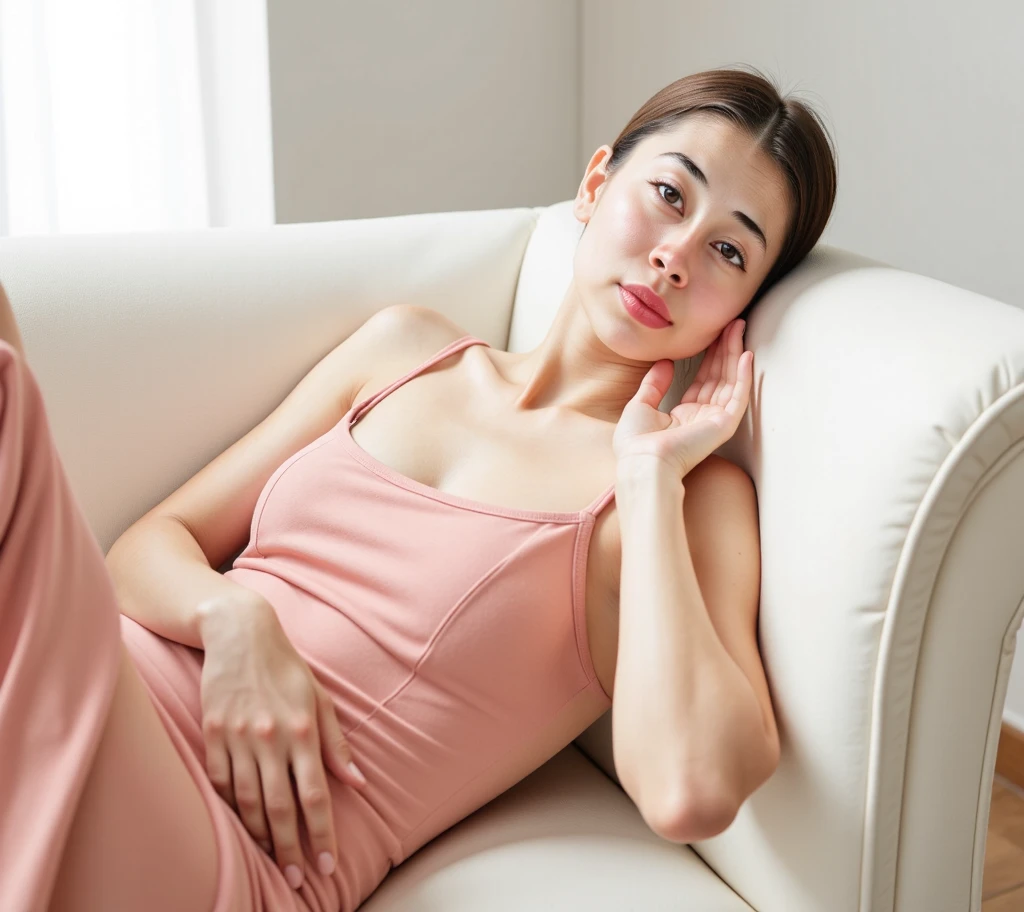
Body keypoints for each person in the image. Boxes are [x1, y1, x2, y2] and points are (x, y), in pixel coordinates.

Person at [0, 65, 836, 912]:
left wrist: (649, 479)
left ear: (745, 305)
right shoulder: (406, 350)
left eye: (730, 248)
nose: (676, 254)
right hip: (112, 685)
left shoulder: (686, 498)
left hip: (224, 846)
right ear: (594, 184)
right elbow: (146, 547)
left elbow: (689, 790)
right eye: (668, 194)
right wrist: (234, 620)